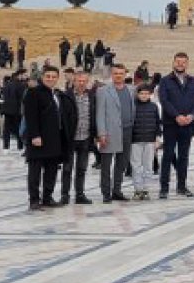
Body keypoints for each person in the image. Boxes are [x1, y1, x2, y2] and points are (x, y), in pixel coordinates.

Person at [158, 52, 194, 199]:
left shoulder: (193, 81)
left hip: (188, 125)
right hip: (171, 124)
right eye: (178, 61)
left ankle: (181, 187)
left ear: (187, 64)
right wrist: (176, 116)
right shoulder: (165, 81)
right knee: (168, 155)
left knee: (184, 157)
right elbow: (164, 101)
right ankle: (164, 188)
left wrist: (191, 116)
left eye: (183, 62)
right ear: (173, 63)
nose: (180, 64)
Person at [23, 66, 68, 210]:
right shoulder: (33, 93)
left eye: (54, 76)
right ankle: (34, 200)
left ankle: (47, 198)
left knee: (52, 170)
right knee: (35, 171)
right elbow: (30, 117)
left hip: (54, 139)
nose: (51, 79)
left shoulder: (55, 94)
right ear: (42, 77)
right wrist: (35, 135)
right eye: (48, 76)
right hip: (39, 139)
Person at [95, 65, 135, 203]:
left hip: (128, 131)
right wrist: (102, 133)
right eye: (116, 73)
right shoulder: (103, 91)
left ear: (125, 75)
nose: (118, 75)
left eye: (121, 73)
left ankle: (117, 190)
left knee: (122, 163)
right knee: (106, 165)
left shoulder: (131, 90)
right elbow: (99, 114)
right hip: (109, 133)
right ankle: (106, 193)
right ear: (112, 75)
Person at [60, 72, 95, 205]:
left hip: (85, 136)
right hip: (70, 137)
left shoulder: (91, 96)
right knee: (67, 168)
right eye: (79, 81)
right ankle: (65, 195)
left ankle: (80, 194)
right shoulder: (66, 96)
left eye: (84, 81)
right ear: (74, 82)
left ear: (87, 82)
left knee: (81, 168)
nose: (81, 83)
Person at [129, 84, 161, 200]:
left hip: (150, 140)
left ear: (150, 95)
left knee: (148, 166)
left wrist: (157, 137)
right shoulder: (132, 106)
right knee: (136, 166)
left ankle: (146, 189)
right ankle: (138, 189)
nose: (144, 96)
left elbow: (158, 123)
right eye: (142, 93)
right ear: (138, 94)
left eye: (146, 94)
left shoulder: (154, 107)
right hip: (135, 141)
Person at [0, 69, 26, 154]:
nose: (25, 77)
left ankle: (6, 147)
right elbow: (22, 99)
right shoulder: (21, 85)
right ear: (19, 75)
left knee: (6, 129)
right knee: (19, 129)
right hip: (17, 111)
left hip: (7, 110)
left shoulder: (7, 84)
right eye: (24, 75)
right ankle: (20, 146)